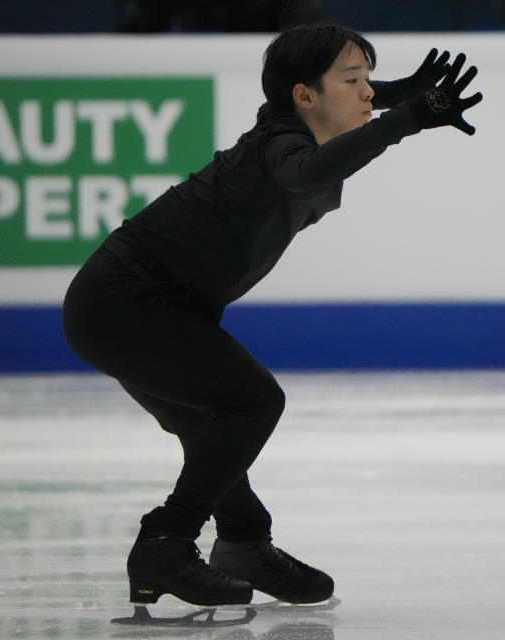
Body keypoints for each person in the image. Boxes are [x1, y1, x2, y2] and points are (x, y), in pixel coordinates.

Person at [62, 22, 482, 608]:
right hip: (124, 304)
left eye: (369, 79)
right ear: (304, 96)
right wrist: (404, 117)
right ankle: (165, 541)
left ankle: (242, 544)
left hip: (145, 306)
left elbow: (328, 119)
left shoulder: (295, 126)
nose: (367, 91)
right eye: (354, 80)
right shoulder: (278, 148)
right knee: (254, 402)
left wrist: (394, 94)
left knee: (213, 427)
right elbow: (310, 170)